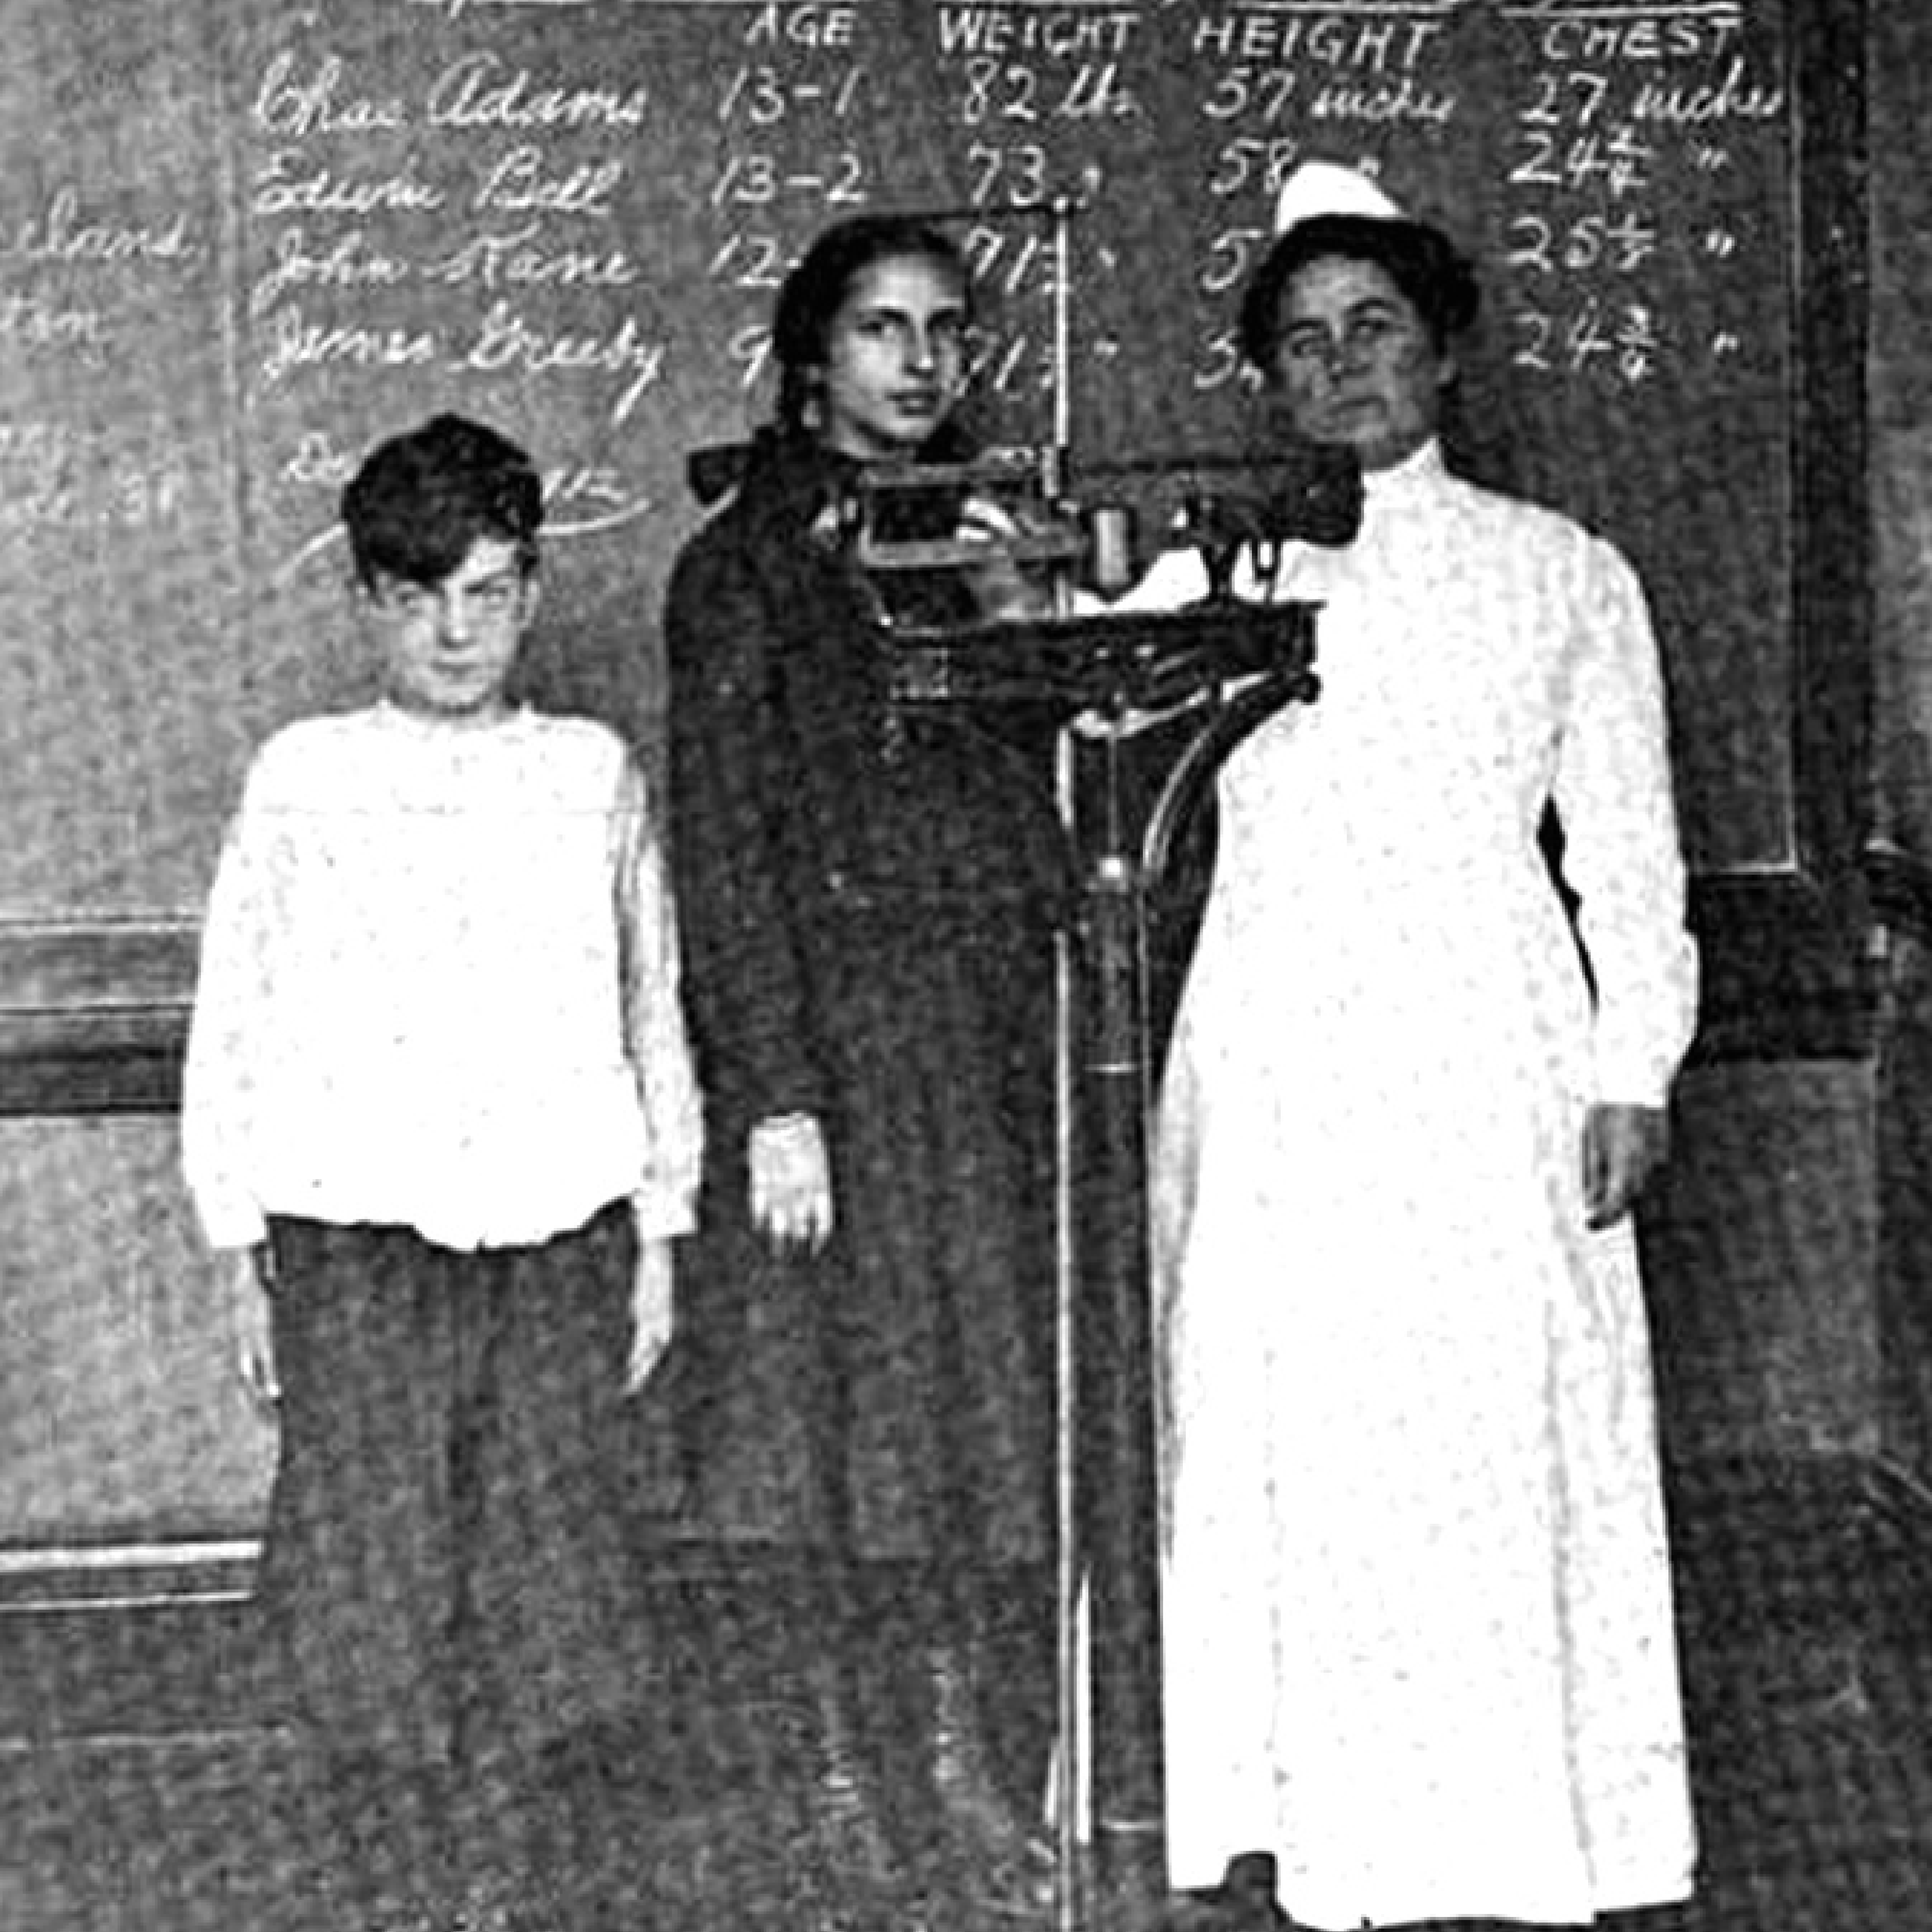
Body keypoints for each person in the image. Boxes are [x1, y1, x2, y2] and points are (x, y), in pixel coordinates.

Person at [1130, 163, 1701, 1928]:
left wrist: (1638, 1072)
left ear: (1443, 352)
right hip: (1279, 1054)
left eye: (1373, 328)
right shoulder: (1207, 573)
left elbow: (1625, 846)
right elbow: (1081, 754)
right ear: (1268, 383)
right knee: (1292, 1424)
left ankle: (1517, 1844)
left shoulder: (1563, 574)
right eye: (1302, 345)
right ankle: (1299, 1830)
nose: (1342, 366)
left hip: (1489, 1056)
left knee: (1487, 1437)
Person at [181, 413, 703, 1932]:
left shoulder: (589, 772)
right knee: (371, 1544)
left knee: (550, 1539)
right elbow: (237, 1014)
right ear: (368, 602)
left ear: (531, 587)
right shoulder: (304, 775)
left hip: (560, 1222)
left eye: (483, 589)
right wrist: (237, 1247)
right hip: (356, 1228)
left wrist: (660, 1227)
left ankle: (510, 1859)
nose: (454, 629)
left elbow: (645, 1000)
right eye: (417, 598)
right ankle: (390, 1871)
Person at [662, 213, 1066, 1924]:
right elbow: (726, 844)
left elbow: (1070, 774)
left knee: (982, 1423)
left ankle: (979, 1759)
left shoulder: (991, 530)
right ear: (809, 355)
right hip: (837, 1050)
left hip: (990, 1039)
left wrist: (1015, 610)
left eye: (947, 331)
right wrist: (775, 1097)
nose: (923, 364)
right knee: (841, 1433)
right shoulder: (744, 561)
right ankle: (857, 1768)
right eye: (885, 330)